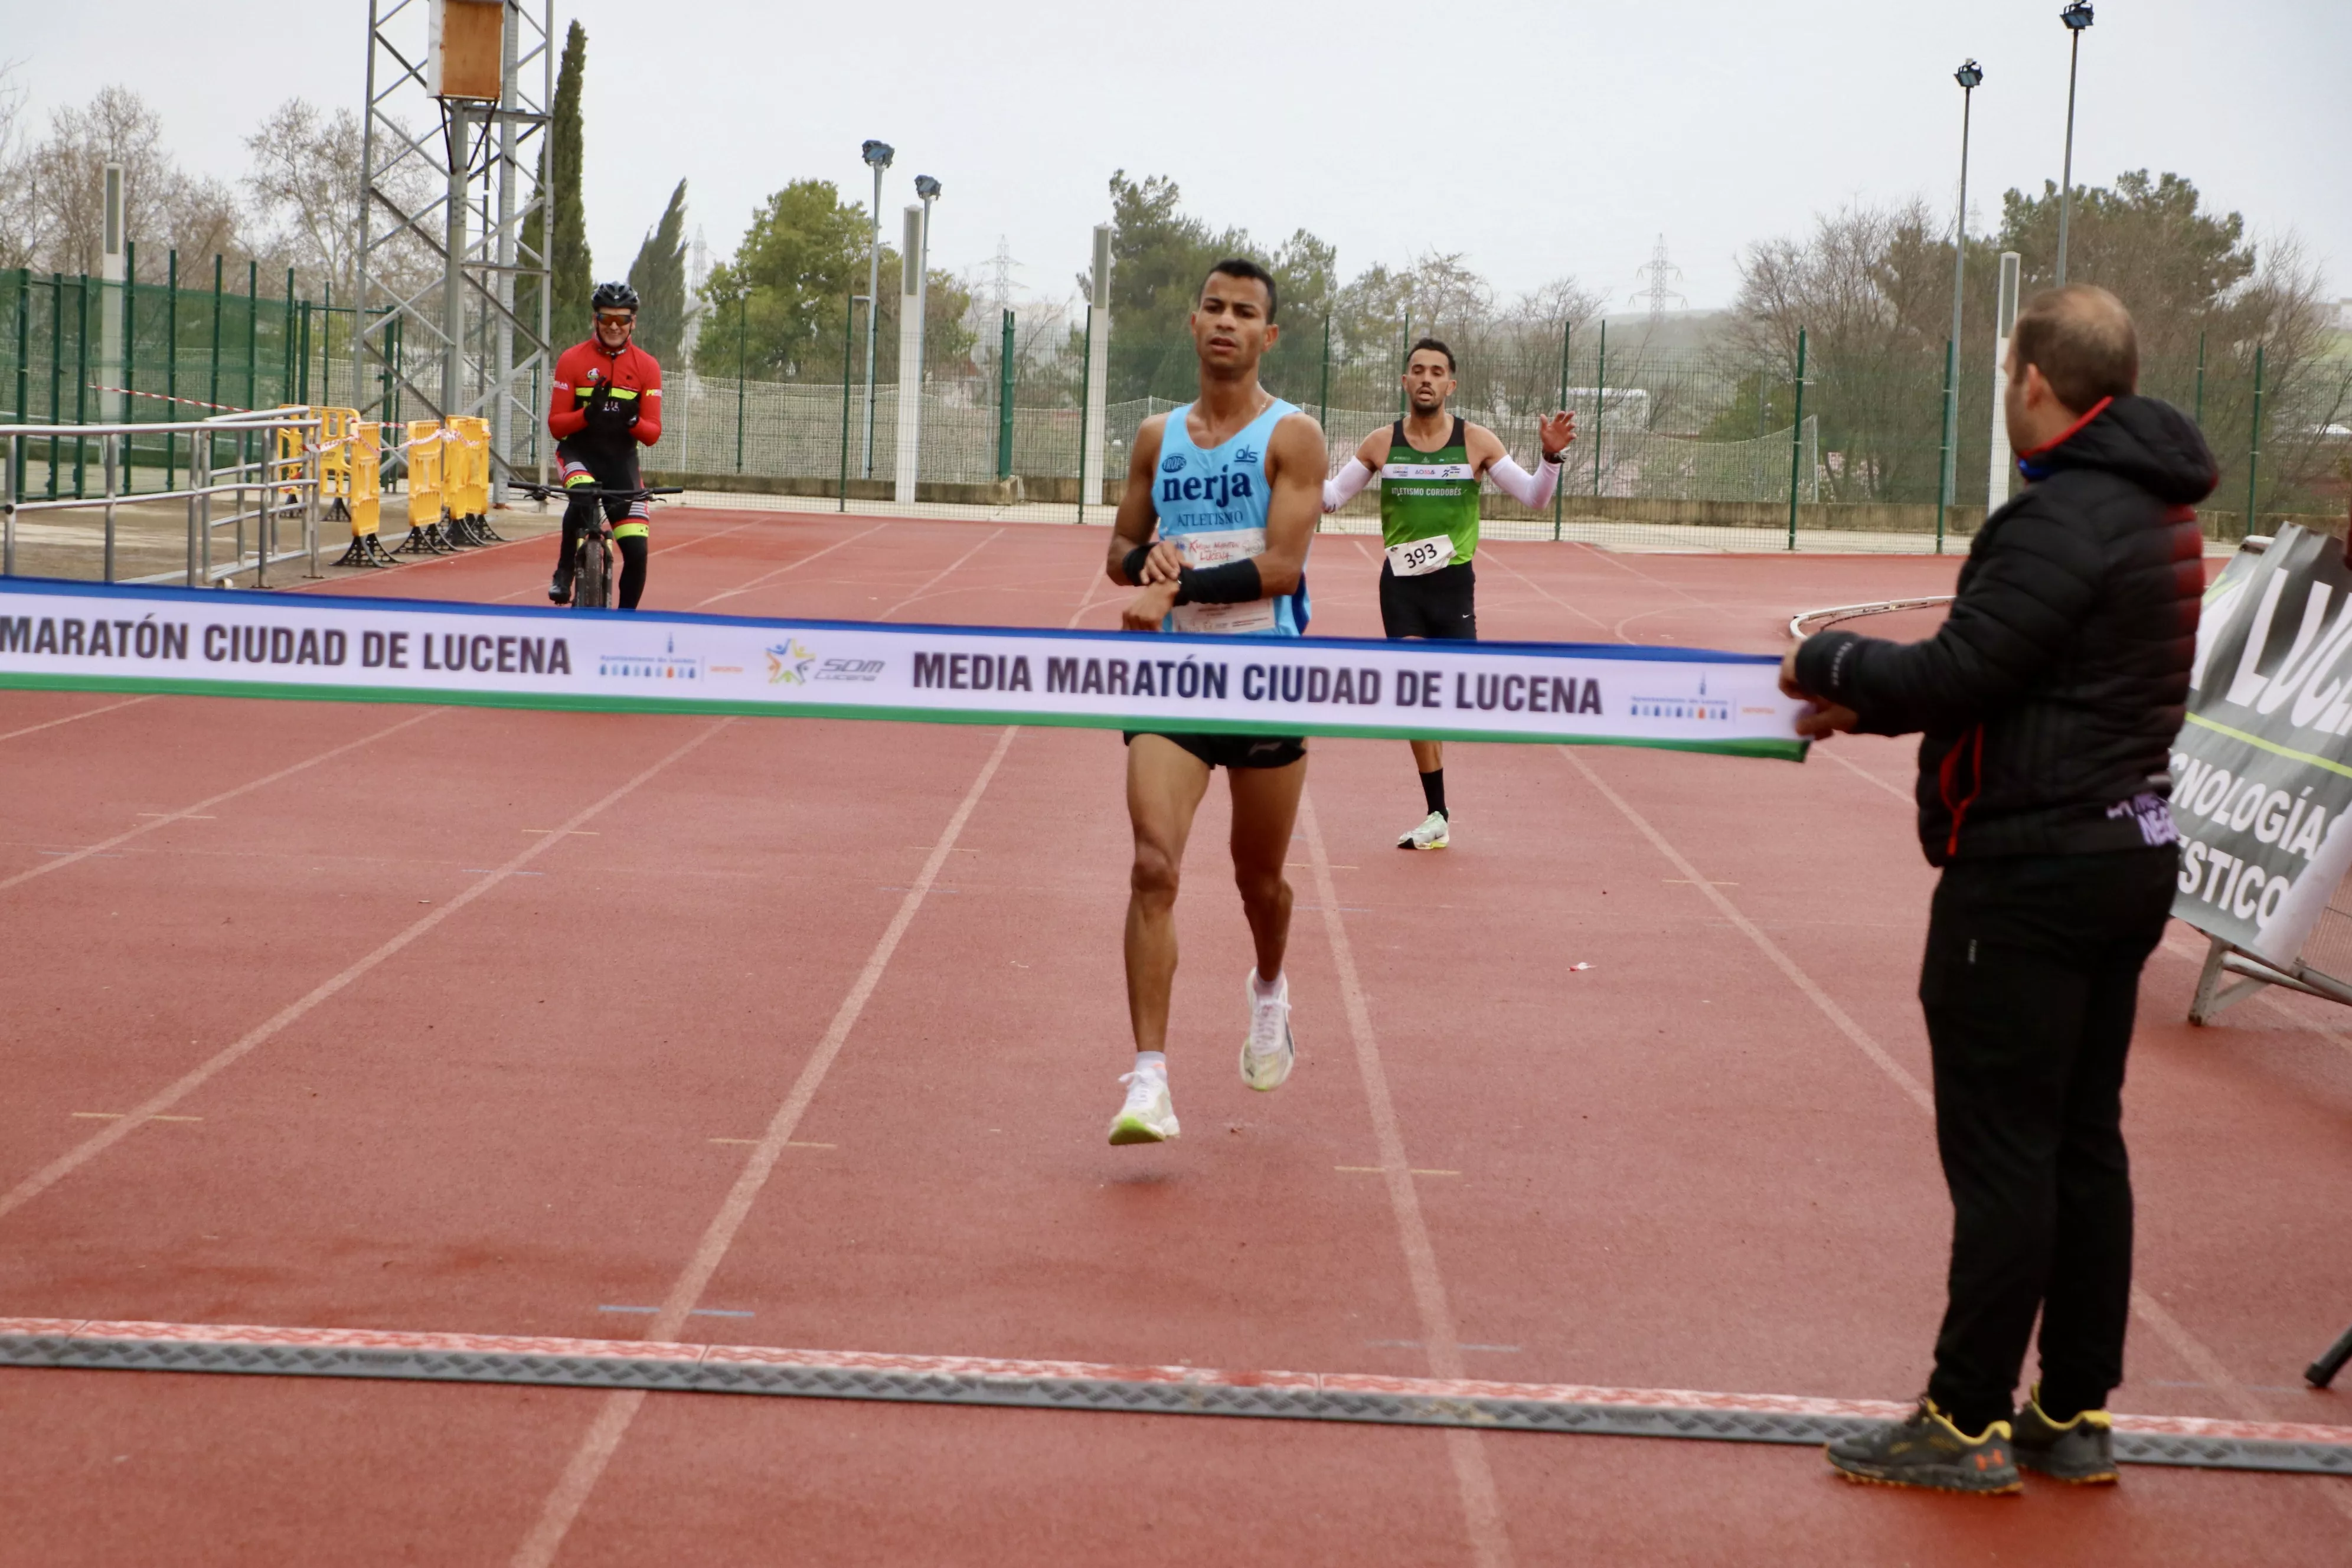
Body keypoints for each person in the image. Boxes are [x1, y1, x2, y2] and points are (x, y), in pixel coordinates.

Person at [1782, 284, 2214, 1494]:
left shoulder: (2061, 517)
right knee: (2083, 1138)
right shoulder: (2161, 509)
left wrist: (1824, 659)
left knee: (2009, 1151)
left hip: (2032, 873)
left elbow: (1965, 667)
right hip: (2125, 845)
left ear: (2034, 379)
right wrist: (1875, 702)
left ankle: (1965, 1415)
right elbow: (2030, 682)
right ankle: (2073, 1409)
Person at [1101, 258, 1327, 1145]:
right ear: (1193, 326)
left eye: (1246, 313)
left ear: (1268, 337)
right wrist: (1143, 563)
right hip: (1173, 680)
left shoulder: (1293, 436)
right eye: (1213, 308)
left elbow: (1283, 568)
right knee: (1154, 865)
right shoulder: (1156, 437)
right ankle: (1149, 1081)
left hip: (1265, 677)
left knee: (1257, 882)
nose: (1226, 321)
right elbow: (1120, 546)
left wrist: (1179, 580)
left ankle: (1268, 987)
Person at [1322, 339, 1573, 848]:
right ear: (1405, 382)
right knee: (1413, 693)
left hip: (1454, 583)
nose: (1426, 379)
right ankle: (1436, 813)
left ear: (1450, 385)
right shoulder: (1380, 443)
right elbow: (1329, 499)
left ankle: (1438, 803)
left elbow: (1534, 497)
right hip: (1401, 588)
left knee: (1448, 696)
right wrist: (1290, 473)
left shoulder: (1476, 442)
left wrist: (1550, 457)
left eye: (1437, 372)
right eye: (1417, 370)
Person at [547, 281, 664, 609]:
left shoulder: (648, 367)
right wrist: (587, 414)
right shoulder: (572, 360)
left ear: (633, 323)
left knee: (638, 552)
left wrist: (632, 422)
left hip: (621, 464)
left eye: (622, 320)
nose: (614, 326)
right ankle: (564, 570)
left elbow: (652, 434)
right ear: (595, 320)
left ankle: (625, 623)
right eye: (607, 318)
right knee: (582, 494)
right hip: (579, 453)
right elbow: (556, 426)